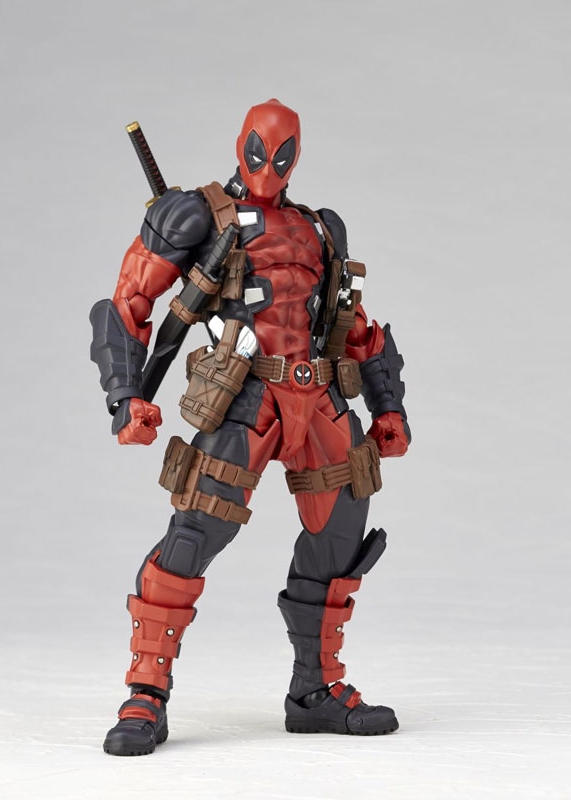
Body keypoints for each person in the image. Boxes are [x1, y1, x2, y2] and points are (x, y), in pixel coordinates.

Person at [90, 98, 411, 756]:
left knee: (341, 532)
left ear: (298, 155)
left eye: (283, 152)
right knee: (197, 530)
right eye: (260, 149)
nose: (270, 163)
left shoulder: (321, 228)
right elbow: (127, 302)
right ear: (242, 144)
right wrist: (124, 397)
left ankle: (315, 691)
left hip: (319, 398)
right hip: (245, 394)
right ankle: (146, 693)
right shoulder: (196, 215)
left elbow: (352, 320)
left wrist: (389, 407)